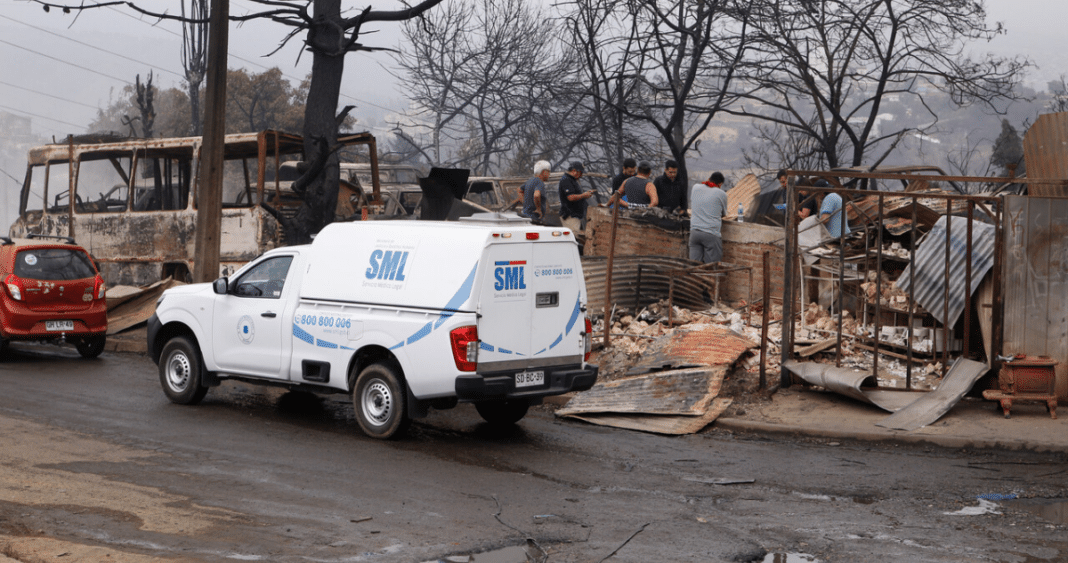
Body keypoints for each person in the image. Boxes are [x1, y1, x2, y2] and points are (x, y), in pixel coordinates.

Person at [689, 172, 728, 263]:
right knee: (712, 268)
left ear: (709, 178)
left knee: (694, 267)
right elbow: (723, 214)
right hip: (711, 234)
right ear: (720, 184)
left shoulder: (695, 187)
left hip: (695, 233)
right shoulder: (721, 193)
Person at [558, 161, 596, 232]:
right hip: (570, 216)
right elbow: (570, 197)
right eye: (580, 172)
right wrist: (584, 195)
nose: (581, 175)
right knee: (573, 237)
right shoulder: (566, 180)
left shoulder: (572, 180)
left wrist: (585, 194)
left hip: (575, 215)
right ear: (574, 171)